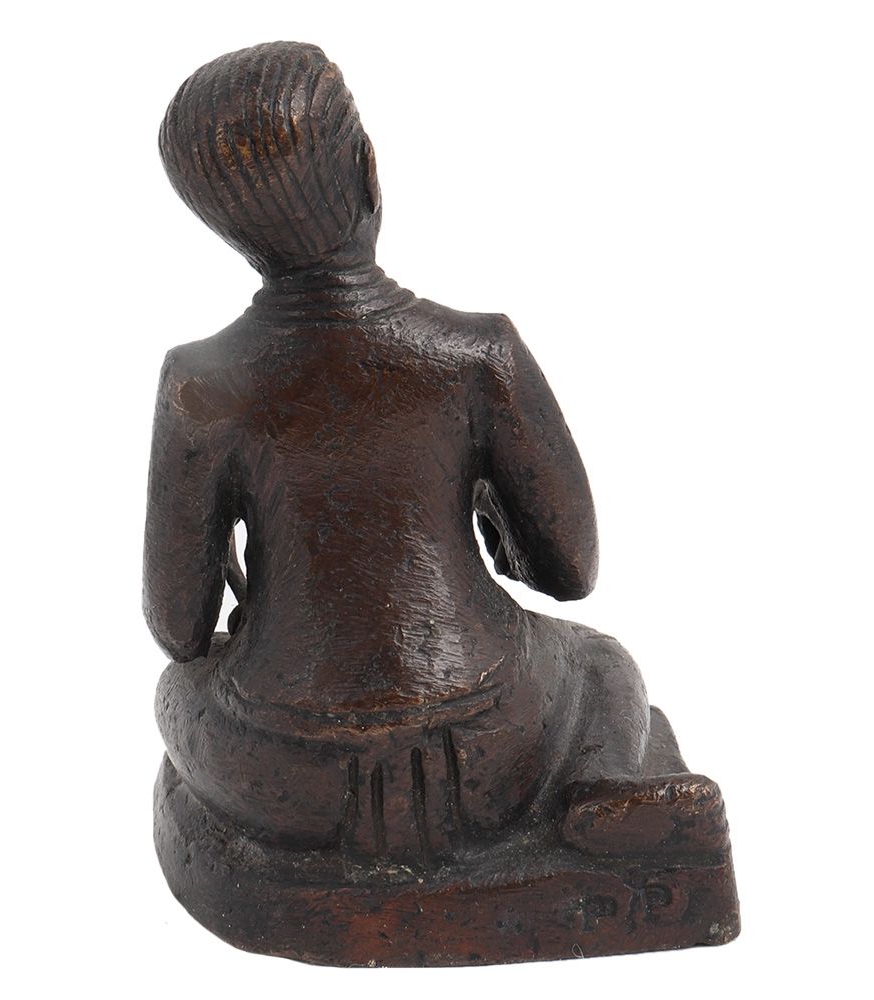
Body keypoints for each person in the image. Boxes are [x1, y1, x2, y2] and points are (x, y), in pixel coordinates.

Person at [145, 42, 665, 864]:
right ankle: (601, 786)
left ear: (224, 228)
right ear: (369, 173)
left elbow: (178, 628)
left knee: (179, 692)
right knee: (602, 664)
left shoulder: (200, 384)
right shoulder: (477, 354)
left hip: (287, 770)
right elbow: (570, 571)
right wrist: (494, 522)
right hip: (494, 743)